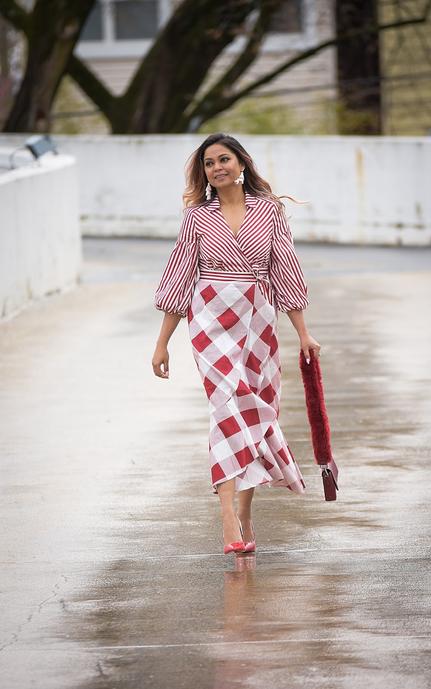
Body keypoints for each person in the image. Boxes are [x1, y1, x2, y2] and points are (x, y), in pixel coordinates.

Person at [152, 133, 321, 556]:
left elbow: (286, 271)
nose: (217, 168)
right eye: (209, 163)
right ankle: (227, 515)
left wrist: (303, 331)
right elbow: (178, 278)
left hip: (259, 320)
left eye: (223, 159)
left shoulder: (270, 212)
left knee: (256, 411)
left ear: (241, 162)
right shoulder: (196, 218)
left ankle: (245, 515)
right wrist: (162, 344)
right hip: (209, 316)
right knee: (227, 404)